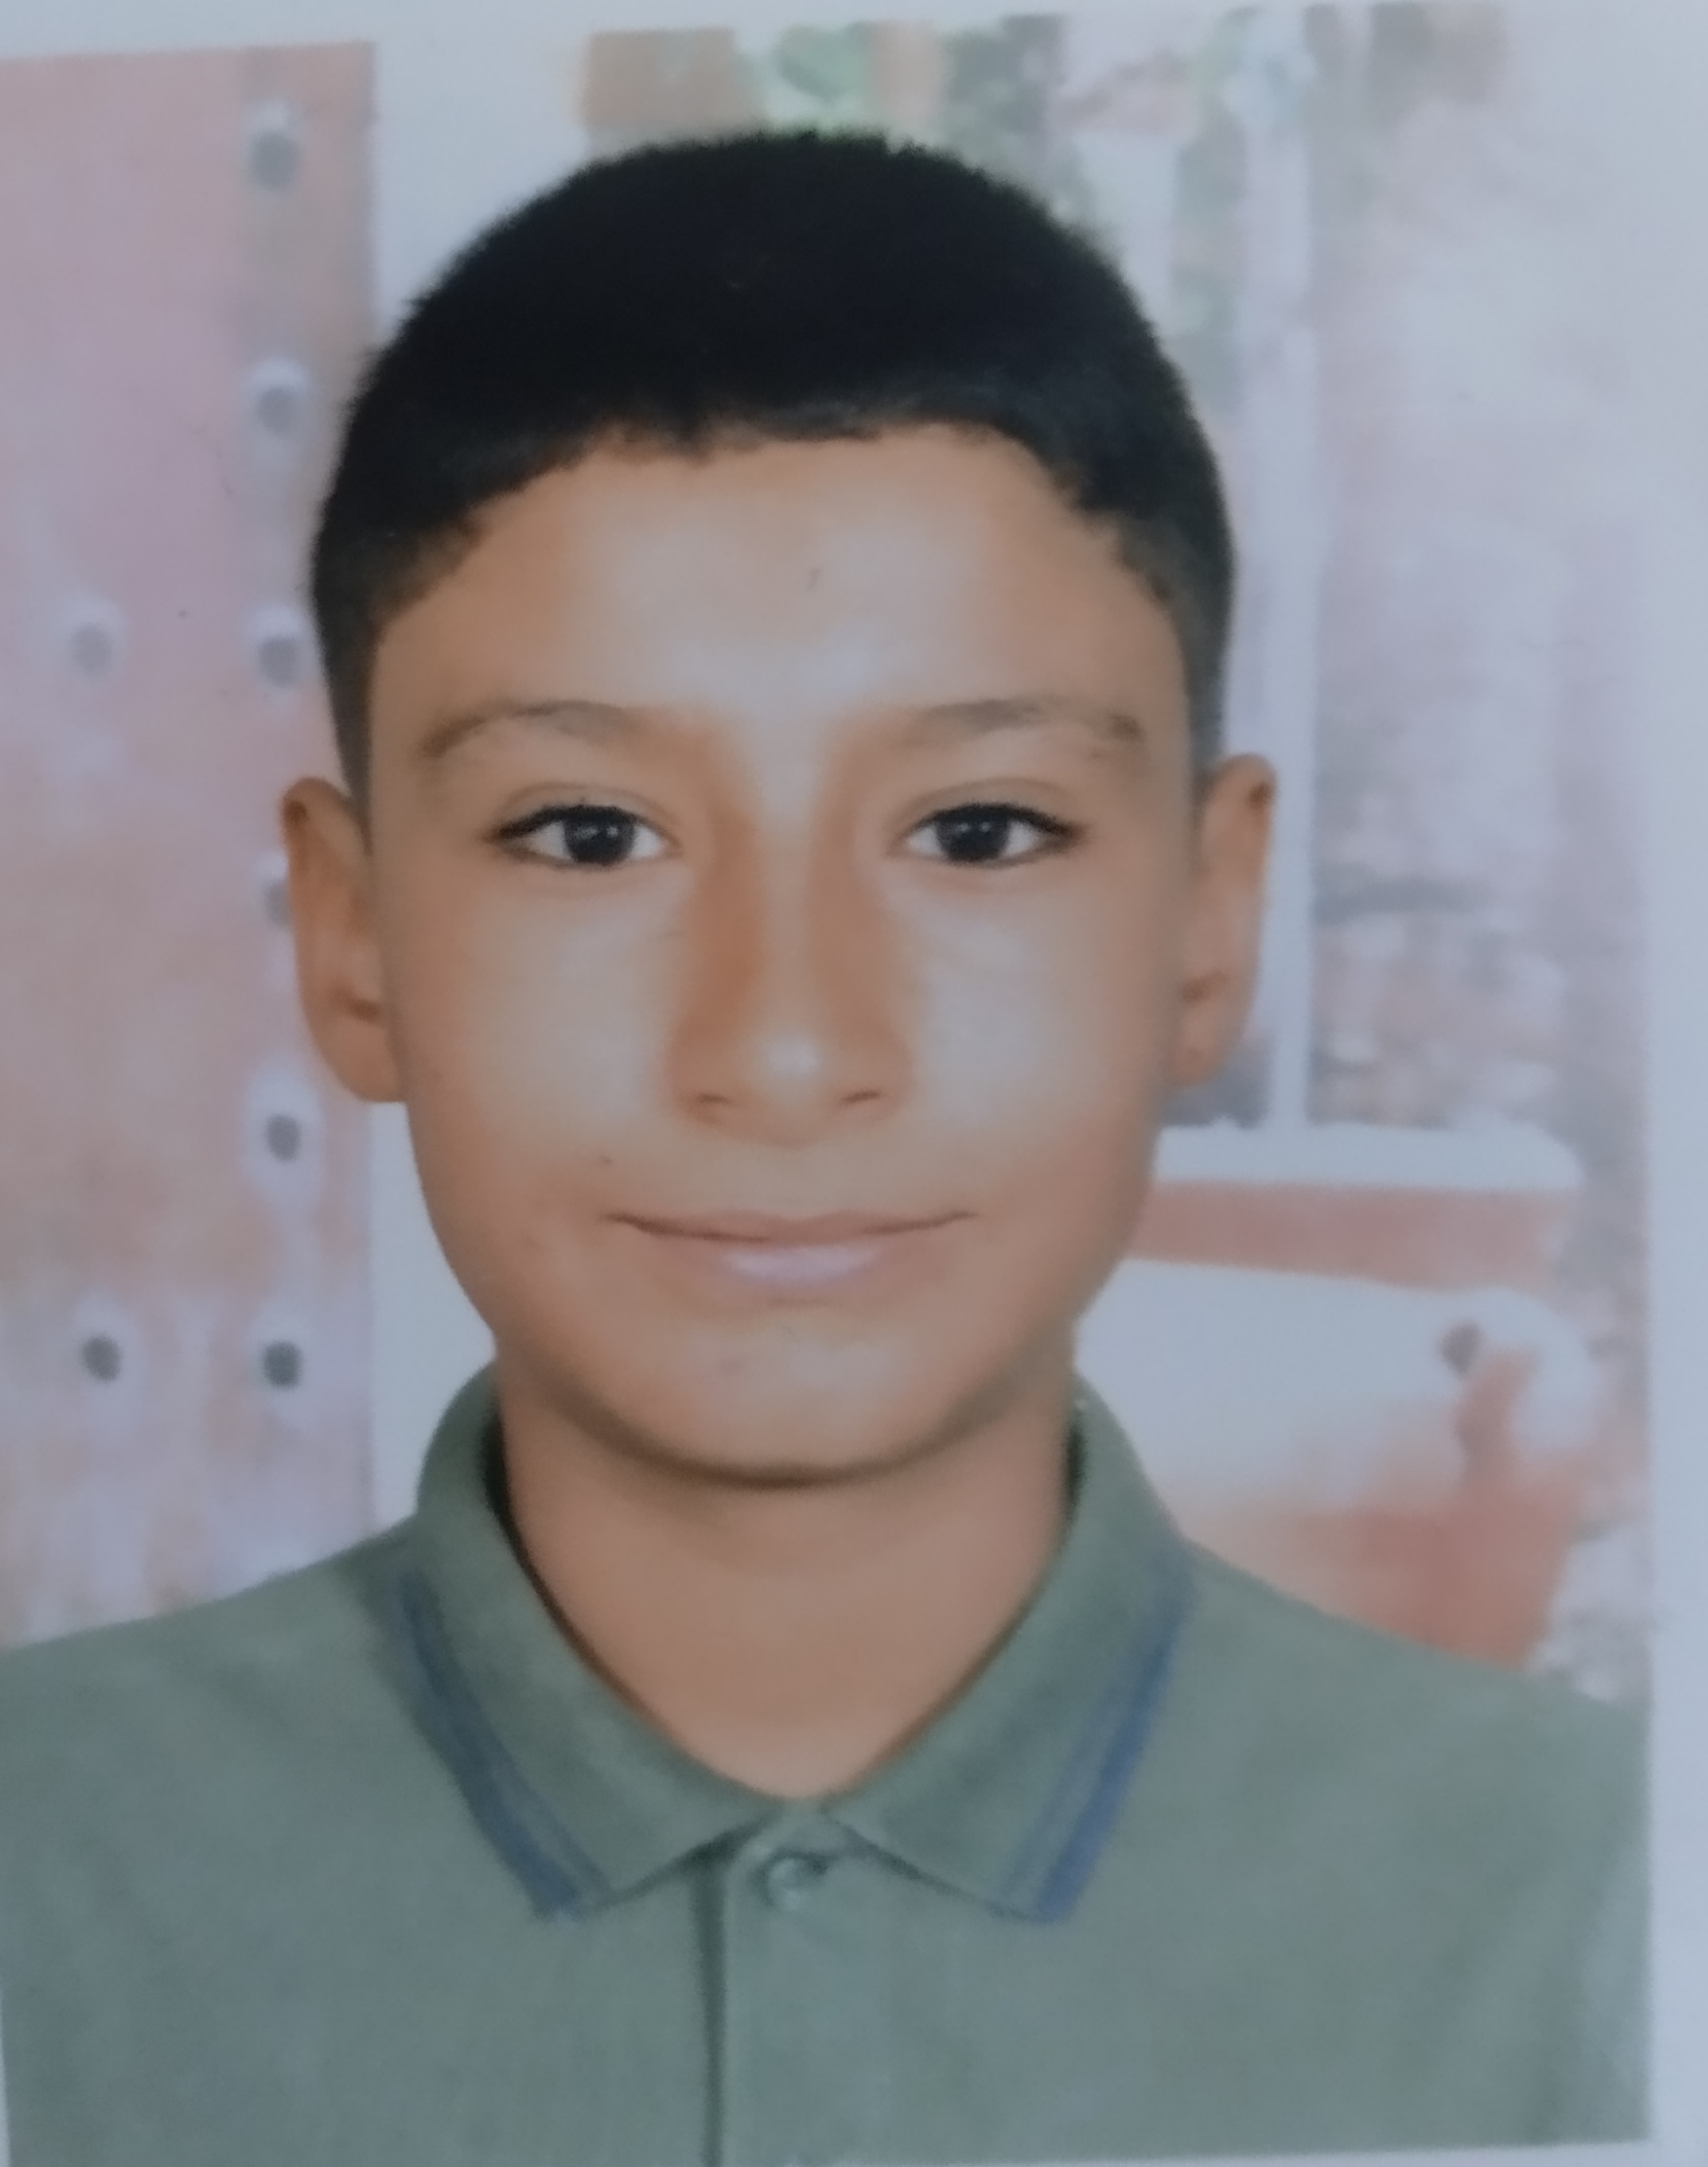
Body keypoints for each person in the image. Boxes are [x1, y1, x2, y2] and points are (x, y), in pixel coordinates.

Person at [0, 130, 1643, 2167]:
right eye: (587, 833)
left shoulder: (1608, 1920)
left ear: (1208, 921)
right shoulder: (43, 1883)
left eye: (979, 830)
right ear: (350, 939)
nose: (783, 1050)